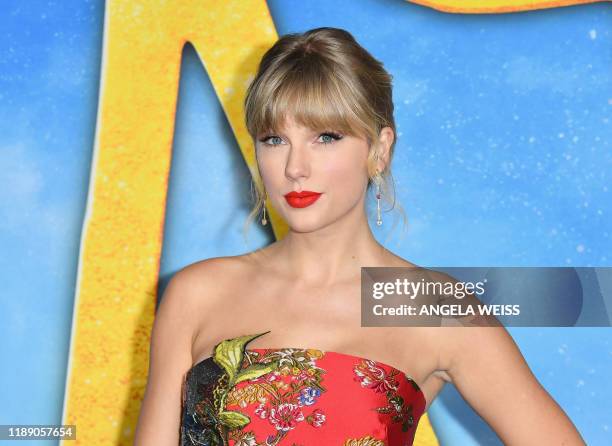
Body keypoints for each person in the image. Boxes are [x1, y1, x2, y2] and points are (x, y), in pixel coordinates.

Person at [134, 27, 585, 445]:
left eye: (325, 137)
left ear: (380, 148)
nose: (295, 168)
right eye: (274, 139)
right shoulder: (197, 294)